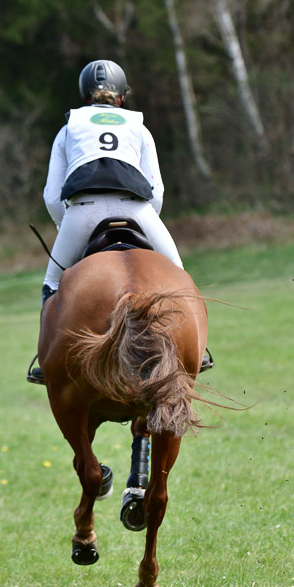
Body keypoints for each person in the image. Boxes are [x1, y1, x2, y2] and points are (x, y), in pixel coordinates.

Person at [27, 59, 213, 384]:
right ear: (122, 98)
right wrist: (143, 222)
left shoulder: (68, 128)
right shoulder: (138, 127)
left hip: (83, 210)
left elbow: (52, 197)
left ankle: (46, 359)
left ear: (86, 97)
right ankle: (200, 349)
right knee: (179, 275)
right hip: (137, 208)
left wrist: (66, 226)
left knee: (53, 284)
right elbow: (156, 191)